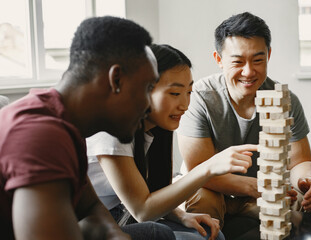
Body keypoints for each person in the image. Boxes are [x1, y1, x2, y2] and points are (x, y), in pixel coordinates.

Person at [0, 16, 178, 240]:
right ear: (116, 80)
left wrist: (116, 236)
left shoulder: (67, 123)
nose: (147, 105)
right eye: (147, 88)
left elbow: (90, 206)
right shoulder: (41, 134)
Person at [176, 11, 311, 229]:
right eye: (238, 61)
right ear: (219, 59)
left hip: (261, 191)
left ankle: (251, 209)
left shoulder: (284, 99)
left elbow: (300, 161)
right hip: (216, 188)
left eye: (258, 60)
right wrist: (257, 187)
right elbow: (200, 171)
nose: (248, 72)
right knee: (202, 196)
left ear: (269, 55)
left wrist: (308, 182)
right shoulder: (199, 97)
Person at [86, 44, 256, 240]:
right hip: (82, 226)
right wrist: (208, 167)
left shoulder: (155, 128)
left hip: (114, 217)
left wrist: (181, 215)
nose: (184, 104)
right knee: (158, 233)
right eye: (175, 93)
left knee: (210, 234)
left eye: (189, 92)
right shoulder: (114, 128)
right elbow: (142, 211)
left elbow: (153, 192)